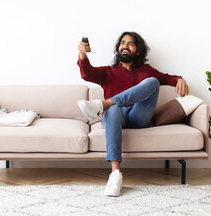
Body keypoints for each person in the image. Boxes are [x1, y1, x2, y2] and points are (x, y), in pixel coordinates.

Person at [77, 32, 189, 197]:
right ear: (118, 48)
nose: (125, 46)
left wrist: (180, 79)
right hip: (115, 118)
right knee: (114, 108)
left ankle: (104, 104)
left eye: (130, 44)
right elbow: (87, 73)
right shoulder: (108, 72)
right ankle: (115, 174)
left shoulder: (146, 71)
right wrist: (82, 53)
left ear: (137, 51)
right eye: (123, 43)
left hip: (138, 116)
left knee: (152, 82)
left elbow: (168, 78)